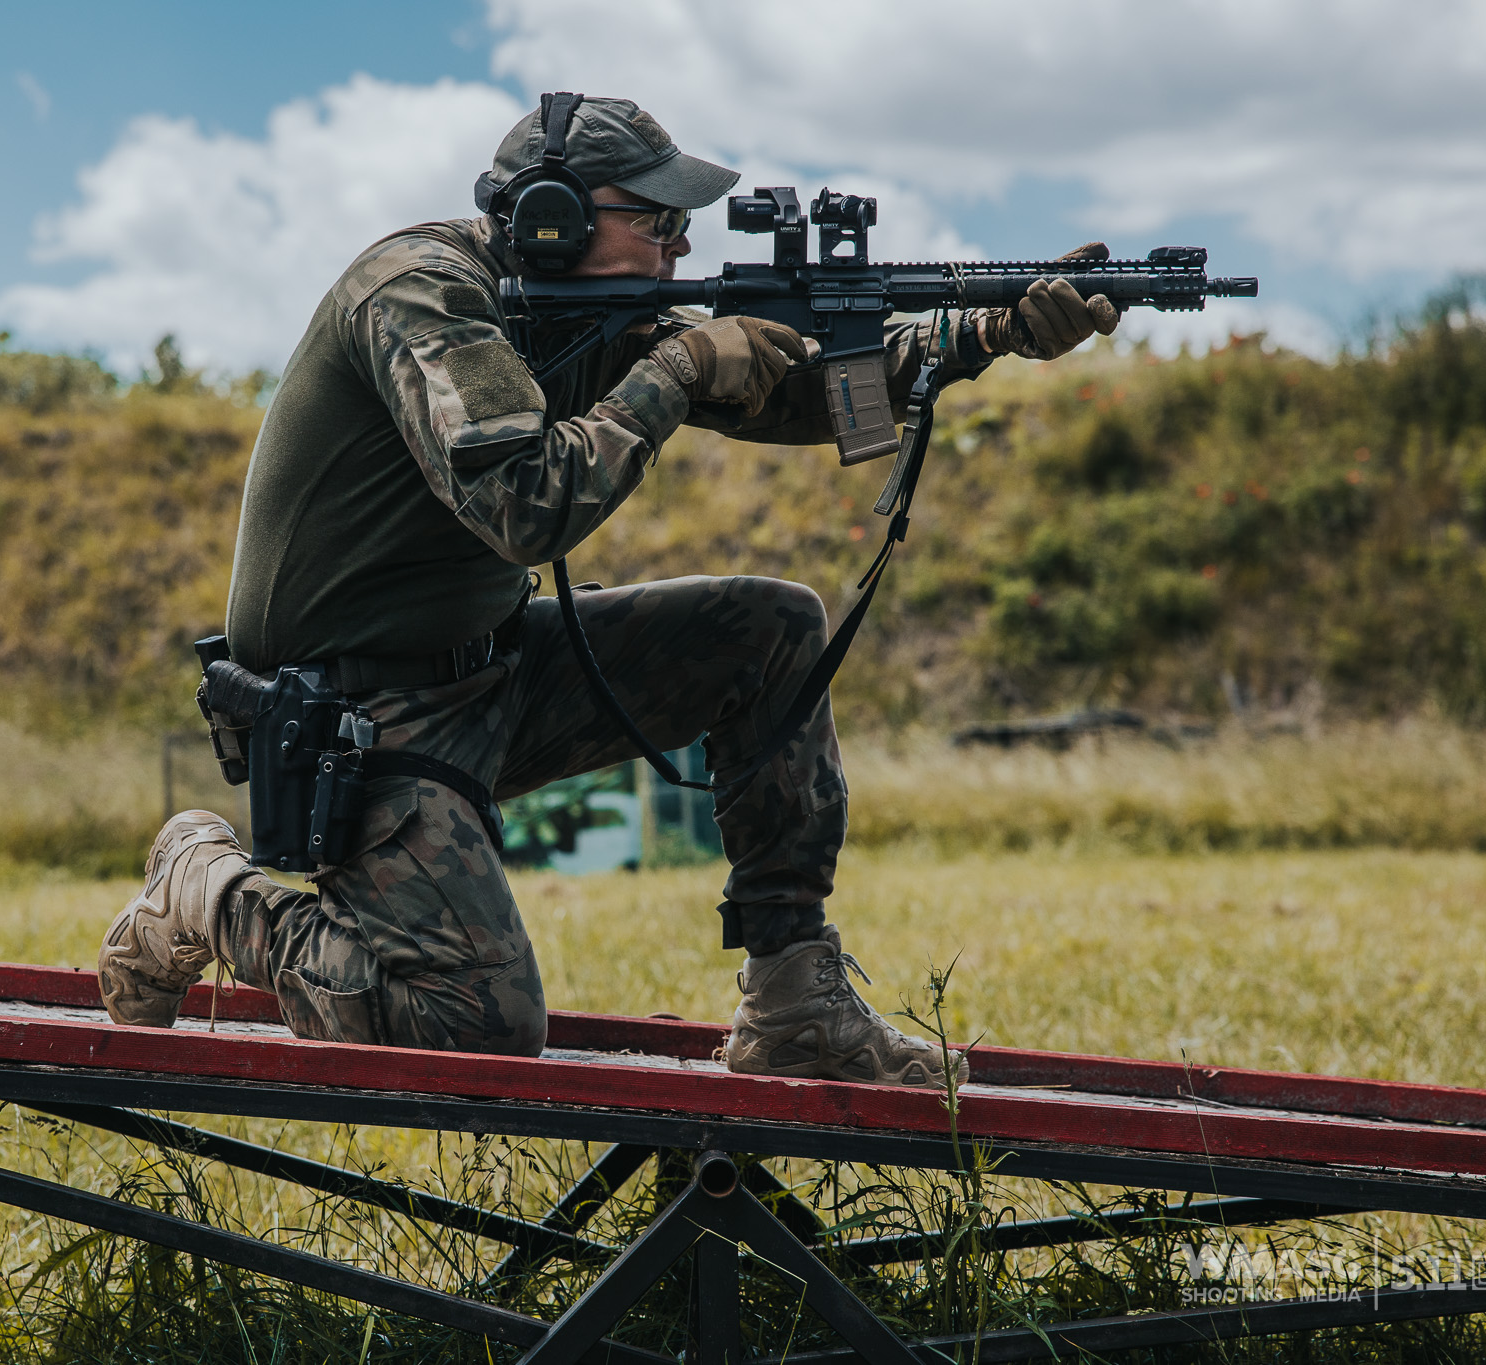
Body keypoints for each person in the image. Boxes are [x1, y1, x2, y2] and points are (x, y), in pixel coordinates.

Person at [96, 95, 1117, 1086]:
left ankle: (792, 1004)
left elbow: (798, 394)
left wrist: (981, 337)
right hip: (358, 718)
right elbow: (524, 507)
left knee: (768, 628)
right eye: (657, 222)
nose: (679, 246)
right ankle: (209, 890)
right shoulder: (418, 293)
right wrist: (675, 370)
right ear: (557, 217)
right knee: (473, 1023)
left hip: (491, 671)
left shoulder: (592, 309)